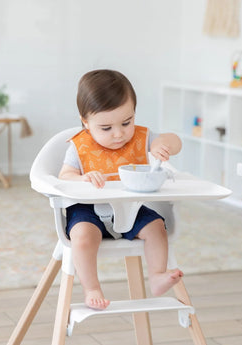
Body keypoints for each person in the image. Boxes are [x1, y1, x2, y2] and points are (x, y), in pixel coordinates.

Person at [58, 69, 183, 310]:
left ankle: (157, 275)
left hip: (131, 209)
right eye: (106, 128)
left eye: (127, 122)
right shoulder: (79, 146)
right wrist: (82, 178)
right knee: (82, 237)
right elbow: (64, 176)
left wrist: (161, 144)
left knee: (156, 228)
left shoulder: (140, 137)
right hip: (88, 211)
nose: (119, 134)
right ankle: (91, 287)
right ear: (86, 122)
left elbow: (176, 141)